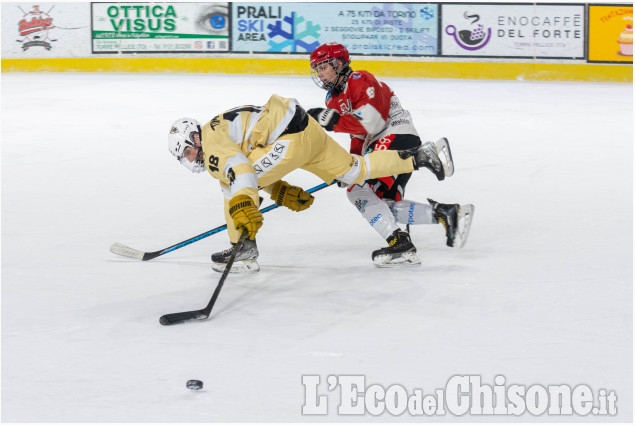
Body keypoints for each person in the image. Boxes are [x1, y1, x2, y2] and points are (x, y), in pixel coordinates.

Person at [167, 94, 451, 273]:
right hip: (305, 128)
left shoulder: (211, 141)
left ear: (194, 138)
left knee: (231, 187)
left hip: (288, 137)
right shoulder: (218, 130)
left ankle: (242, 248)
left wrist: (243, 202)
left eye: (188, 151)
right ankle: (422, 156)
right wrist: (278, 189)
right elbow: (251, 164)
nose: (192, 159)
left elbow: (242, 171)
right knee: (355, 170)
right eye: (186, 158)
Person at [307, 42, 474, 267]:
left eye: (323, 67)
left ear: (338, 63)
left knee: (357, 191)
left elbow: (372, 121)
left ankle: (400, 240)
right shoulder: (331, 99)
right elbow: (356, 135)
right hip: (379, 145)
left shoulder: (360, 79)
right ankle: (446, 214)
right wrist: (349, 166)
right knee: (382, 206)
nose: (319, 73)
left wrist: (334, 121)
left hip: (395, 136)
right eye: (316, 69)